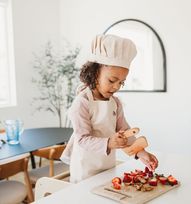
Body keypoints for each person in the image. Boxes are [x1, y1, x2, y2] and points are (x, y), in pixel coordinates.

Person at [61, 34, 158, 183]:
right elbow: (82, 139)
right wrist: (109, 143)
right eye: (112, 80)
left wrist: (141, 152)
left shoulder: (116, 103)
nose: (116, 86)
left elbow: (125, 131)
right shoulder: (82, 103)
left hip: (107, 167)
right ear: (94, 73)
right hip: (84, 170)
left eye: (121, 82)